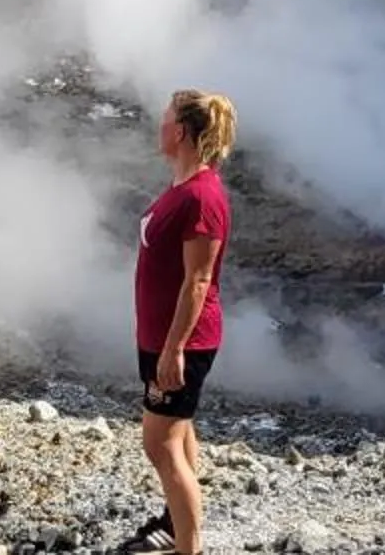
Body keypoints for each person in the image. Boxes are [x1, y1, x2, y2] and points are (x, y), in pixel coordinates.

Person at [126, 88, 234, 555]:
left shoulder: (203, 198)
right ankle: (175, 524)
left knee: (160, 446)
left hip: (182, 340)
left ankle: (189, 549)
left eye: (165, 120)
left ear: (183, 131)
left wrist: (174, 351)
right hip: (160, 335)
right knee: (178, 431)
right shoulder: (182, 187)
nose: (160, 127)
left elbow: (198, 281)